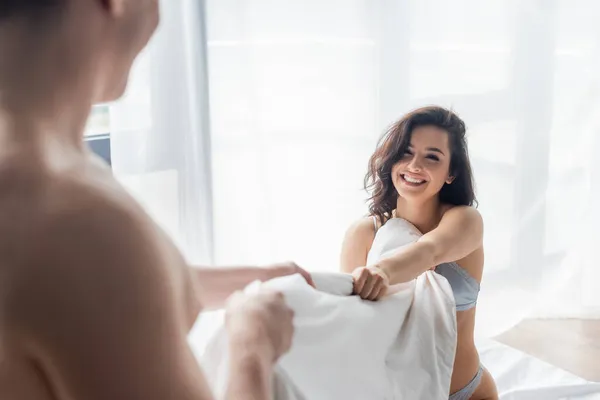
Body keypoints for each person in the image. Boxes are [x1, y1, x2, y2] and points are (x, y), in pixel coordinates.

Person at [0, 1, 313, 399]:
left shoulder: (41, 188)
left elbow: (80, 306)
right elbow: (96, 275)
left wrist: (254, 277)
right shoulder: (78, 222)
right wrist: (252, 347)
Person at [340, 106, 499, 400]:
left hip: (463, 391)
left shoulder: (465, 221)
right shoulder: (362, 235)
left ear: (451, 172)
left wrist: (382, 273)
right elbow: (352, 325)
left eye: (432, 157)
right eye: (406, 152)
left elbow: (429, 251)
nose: (414, 165)